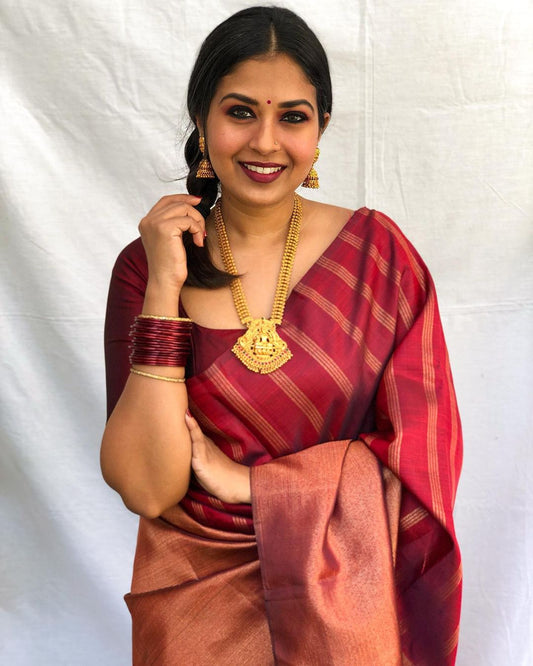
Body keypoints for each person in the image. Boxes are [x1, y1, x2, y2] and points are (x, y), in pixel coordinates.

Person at [100, 6, 462, 665]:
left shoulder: (377, 258)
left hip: (344, 605)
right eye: (240, 112)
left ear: (319, 128)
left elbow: (422, 459)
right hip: (194, 612)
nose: (265, 142)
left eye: (291, 116)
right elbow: (147, 489)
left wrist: (254, 487)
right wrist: (162, 290)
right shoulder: (147, 266)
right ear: (202, 123)